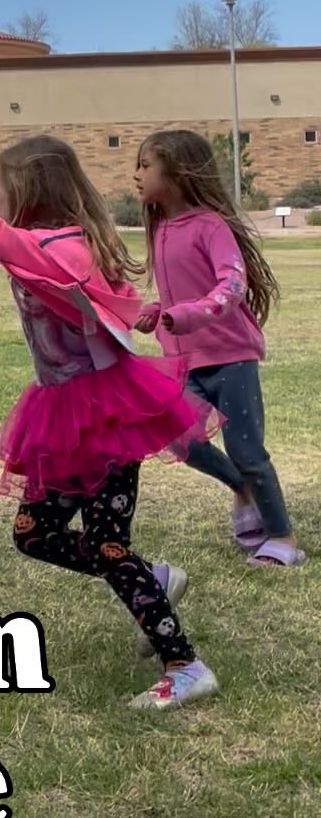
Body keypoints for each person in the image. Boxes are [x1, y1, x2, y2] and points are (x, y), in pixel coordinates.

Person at [0, 122, 220, 711]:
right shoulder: (50, 238)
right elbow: (5, 224)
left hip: (103, 414)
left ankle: (185, 666)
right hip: (69, 409)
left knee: (106, 546)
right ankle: (151, 582)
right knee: (39, 535)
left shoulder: (54, 249)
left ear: (28, 193)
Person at [134, 130, 302, 568]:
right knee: (177, 437)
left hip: (231, 358)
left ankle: (282, 537)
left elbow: (232, 284)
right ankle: (240, 490)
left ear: (176, 171)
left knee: (248, 452)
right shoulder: (161, 229)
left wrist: (188, 314)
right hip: (182, 362)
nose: (136, 175)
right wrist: (158, 310)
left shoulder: (210, 224)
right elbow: (178, 293)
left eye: (145, 165)